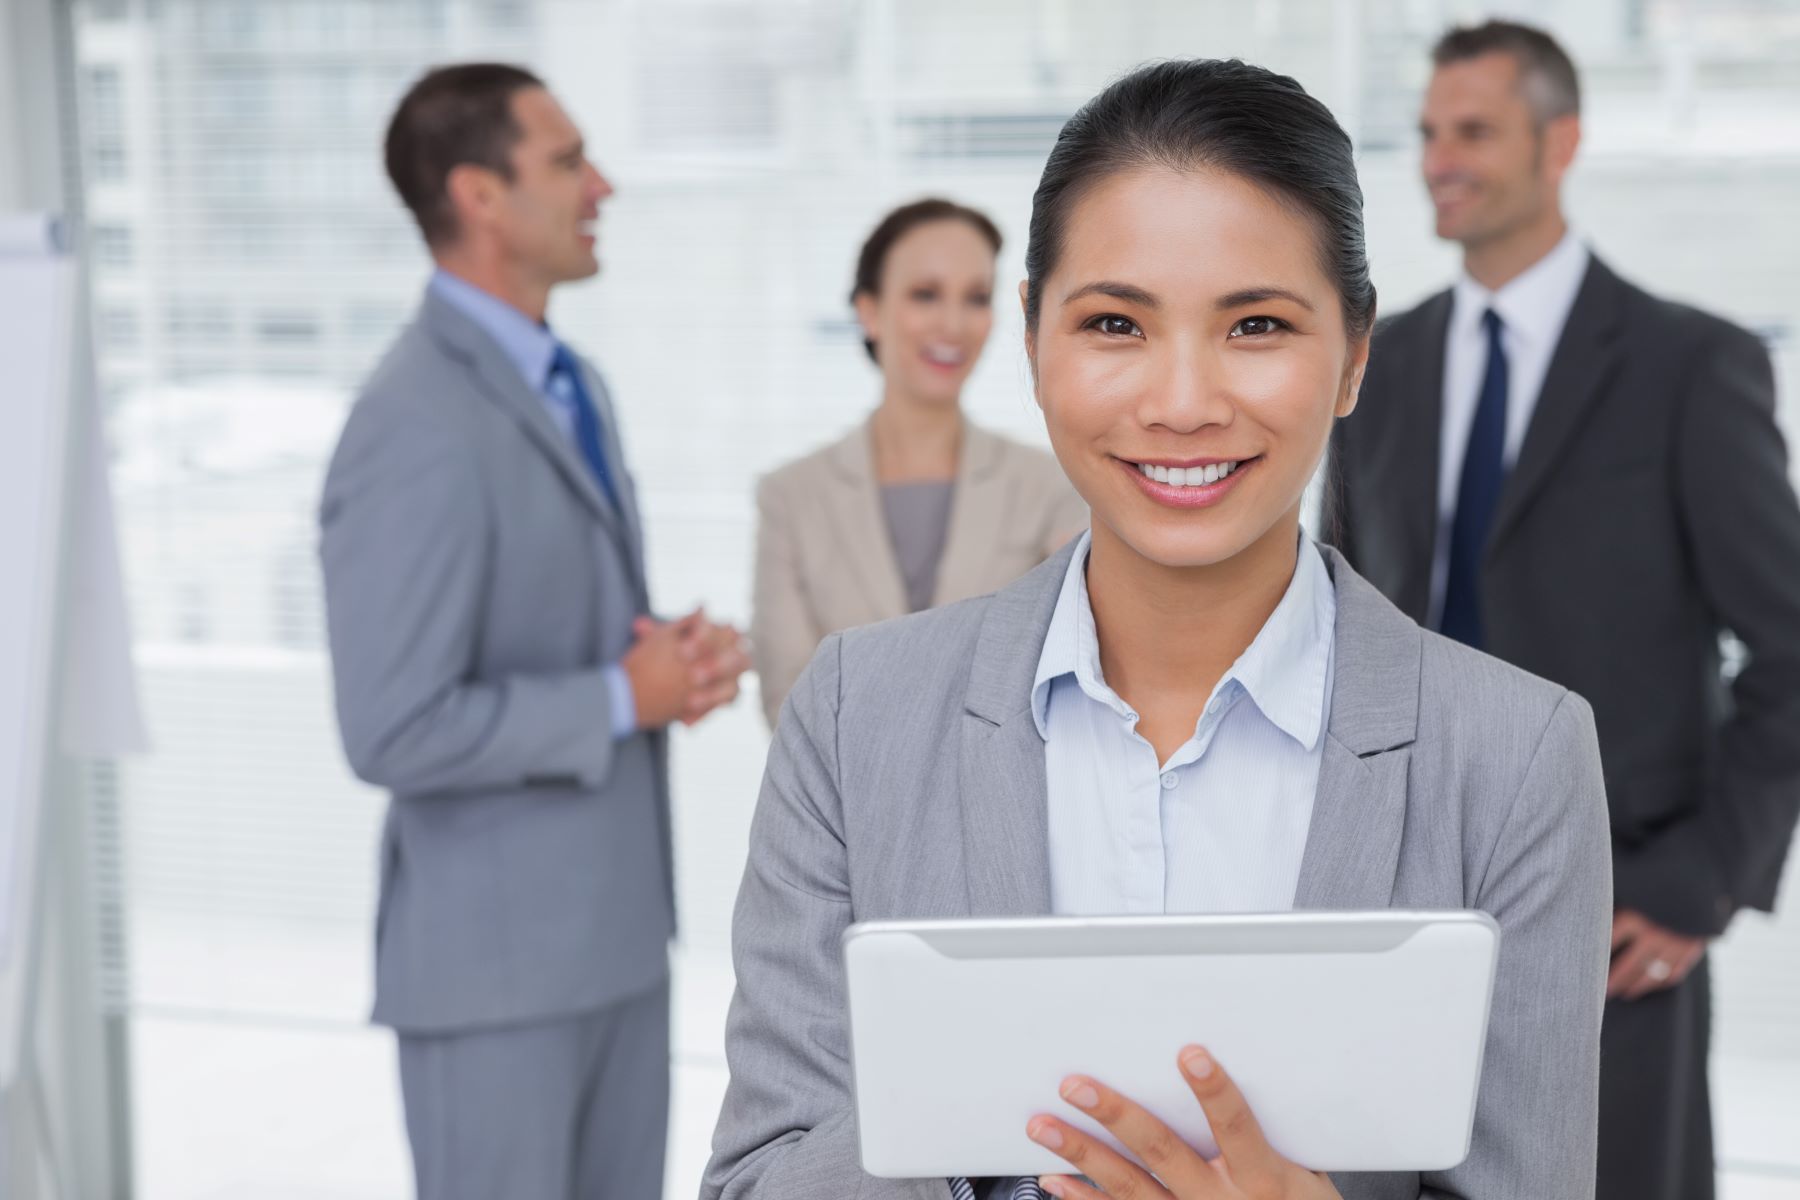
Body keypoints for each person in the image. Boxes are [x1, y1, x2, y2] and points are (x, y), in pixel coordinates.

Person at [705, 58, 1611, 1200]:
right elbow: (757, 1178)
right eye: (1117, 323)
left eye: (1259, 324)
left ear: (1355, 355)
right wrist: (1007, 1146)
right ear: (1035, 339)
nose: (1182, 401)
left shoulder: (1517, 756)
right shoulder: (855, 714)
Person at [1321, 21, 1800, 1200]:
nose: (1440, 158)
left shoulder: (1689, 364)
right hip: (1394, 907)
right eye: (1429, 133)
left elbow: (1793, 647)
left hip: (1613, 926)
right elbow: (1335, 625)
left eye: (1473, 130)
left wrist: (1698, 883)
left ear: (1562, 140)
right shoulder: (1374, 366)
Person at [319, 63, 747, 1200]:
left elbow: (560, 629)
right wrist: (620, 698)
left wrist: (670, 664)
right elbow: (391, 727)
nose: (601, 184)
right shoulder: (411, 419)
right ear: (480, 195)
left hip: (615, 947)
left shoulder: (576, 384)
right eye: (567, 162)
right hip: (493, 980)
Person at [751, 198, 1086, 727]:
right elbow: (789, 706)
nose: (953, 324)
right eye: (925, 295)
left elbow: (1069, 685)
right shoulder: (791, 497)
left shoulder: (1050, 489)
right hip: (847, 809)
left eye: (975, 297)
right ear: (869, 310)